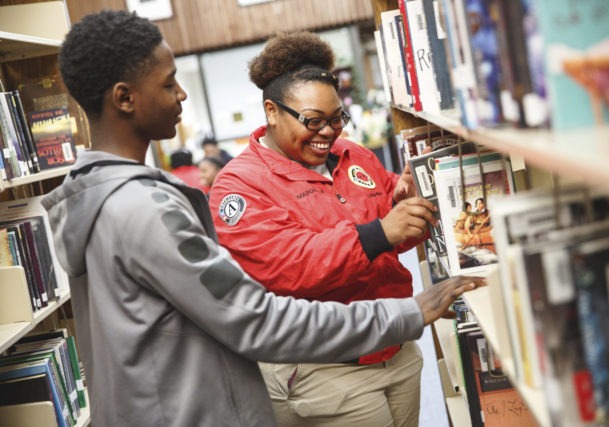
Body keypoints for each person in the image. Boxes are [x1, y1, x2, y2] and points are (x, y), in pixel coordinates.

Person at [41, 11, 484, 427]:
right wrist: (407, 308)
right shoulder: (155, 206)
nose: (182, 94)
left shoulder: (107, 196)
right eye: (170, 82)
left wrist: (400, 213)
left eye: (336, 119)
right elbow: (261, 311)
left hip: (381, 348)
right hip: (307, 372)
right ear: (124, 97)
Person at [209, 31, 448, 426]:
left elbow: (393, 233)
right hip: (324, 369)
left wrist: (409, 211)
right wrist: (380, 232)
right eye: (313, 120)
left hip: (395, 347)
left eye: (337, 118)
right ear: (272, 111)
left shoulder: (354, 156)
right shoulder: (239, 186)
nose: (328, 132)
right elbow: (286, 269)